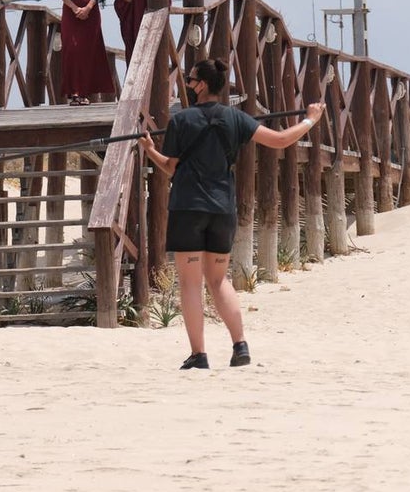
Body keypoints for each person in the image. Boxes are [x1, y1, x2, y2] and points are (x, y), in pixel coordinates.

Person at [138, 58, 326, 370]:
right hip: (222, 208)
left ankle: (199, 354)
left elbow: (170, 167)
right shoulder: (235, 118)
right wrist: (310, 120)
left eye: (190, 79)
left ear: (202, 85)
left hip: (188, 207)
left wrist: (149, 149)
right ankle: (240, 346)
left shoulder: (181, 120)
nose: (187, 83)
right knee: (217, 279)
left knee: (189, 283)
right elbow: (279, 141)